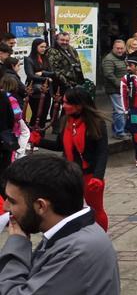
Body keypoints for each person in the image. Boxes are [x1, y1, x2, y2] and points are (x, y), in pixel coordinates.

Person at [0, 154, 122, 295]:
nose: (7, 210)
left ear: (40, 206)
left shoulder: (77, 250)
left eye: (12, 201)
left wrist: (17, 245)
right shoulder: (69, 233)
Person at [29, 87, 110, 231]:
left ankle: (101, 238)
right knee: (70, 210)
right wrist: (39, 141)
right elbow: (59, 145)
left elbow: (102, 152)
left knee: (96, 209)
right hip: (69, 174)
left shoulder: (96, 123)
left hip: (90, 175)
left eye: (67, 103)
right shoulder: (65, 121)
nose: (63, 106)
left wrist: (98, 177)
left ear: (79, 105)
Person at [24, 38, 54, 129]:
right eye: (41, 47)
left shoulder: (45, 58)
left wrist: (42, 73)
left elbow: (52, 72)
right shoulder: (28, 59)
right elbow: (31, 75)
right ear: (35, 47)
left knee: (44, 114)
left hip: (47, 90)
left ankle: (41, 136)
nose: (43, 49)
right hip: (35, 91)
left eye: (45, 47)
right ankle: (33, 136)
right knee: (37, 114)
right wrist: (46, 78)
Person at [102, 39, 129, 139]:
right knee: (120, 110)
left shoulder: (123, 58)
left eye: (122, 48)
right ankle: (119, 132)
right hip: (115, 89)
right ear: (113, 48)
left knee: (118, 110)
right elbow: (109, 75)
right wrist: (122, 86)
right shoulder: (109, 59)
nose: (120, 50)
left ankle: (117, 130)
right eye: (117, 48)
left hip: (122, 89)